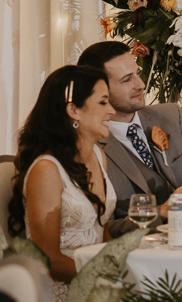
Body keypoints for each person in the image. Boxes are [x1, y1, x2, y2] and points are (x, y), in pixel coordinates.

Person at [77, 41, 182, 237]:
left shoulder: (172, 115)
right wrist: (160, 213)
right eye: (127, 79)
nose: (140, 84)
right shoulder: (88, 147)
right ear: (99, 90)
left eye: (137, 73)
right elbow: (103, 230)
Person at [7, 66, 117, 301]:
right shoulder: (47, 170)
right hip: (63, 290)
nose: (112, 110)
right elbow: (47, 257)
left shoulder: (99, 156)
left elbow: (102, 231)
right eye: (103, 103)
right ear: (73, 110)